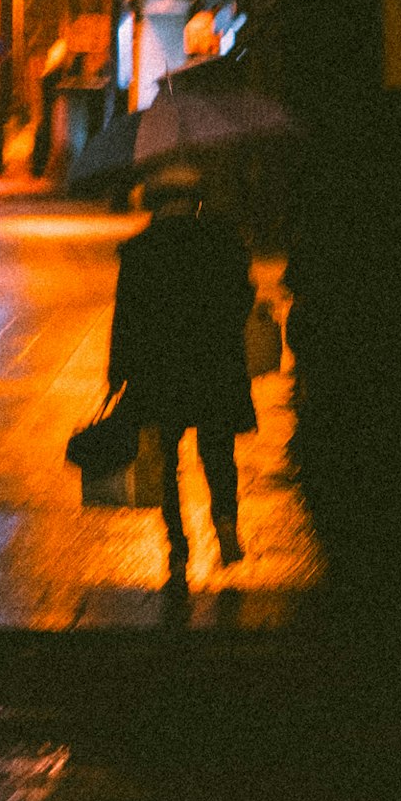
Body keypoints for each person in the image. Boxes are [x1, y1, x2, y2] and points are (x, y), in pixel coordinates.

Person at [103, 162, 256, 584]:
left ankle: (178, 542)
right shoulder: (223, 242)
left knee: (165, 459)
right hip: (213, 365)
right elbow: (242, 299)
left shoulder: (140, 250)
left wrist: (117, 371)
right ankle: (225, 521)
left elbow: (126, 318)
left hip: (160, 369)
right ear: (196, 200)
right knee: (218, 450)